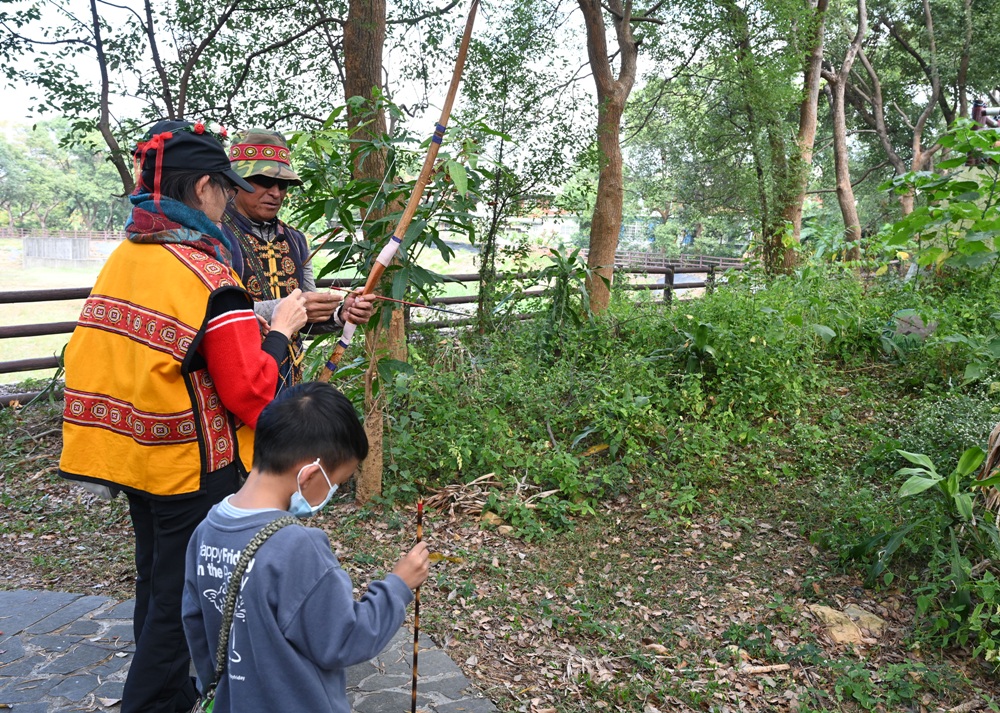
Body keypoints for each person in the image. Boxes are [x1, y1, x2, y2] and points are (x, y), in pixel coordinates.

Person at [58, 119, 309, 713]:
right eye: (225, 186)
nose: (229, 197)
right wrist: (279, 333)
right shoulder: (208, 276)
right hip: (190, 468)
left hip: (133, 454)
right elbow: (249, 392)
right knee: (178, 604)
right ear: (203, 191)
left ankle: (172, 695)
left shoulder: (128, 256)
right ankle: (150, 703)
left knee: (156, 582)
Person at [182, 381, 430, 711]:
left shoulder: (207, 529)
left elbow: (195, 624)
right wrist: (397, 586)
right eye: (336, 483)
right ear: (310, 475)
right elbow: (346, 638)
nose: (331, 493)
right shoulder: (296, 546)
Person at [222, 129, 374, 388]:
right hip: (234, 379)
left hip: (286, 380)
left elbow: (306, 313)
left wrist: (340, 313)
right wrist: (288, 309)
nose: (276, 192)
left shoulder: (295, 239)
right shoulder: (214, 234)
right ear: (235, 181)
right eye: (264, 181)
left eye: (283, 184)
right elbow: (213, 317)